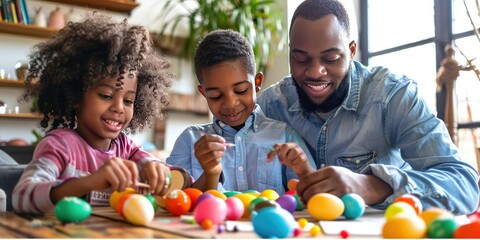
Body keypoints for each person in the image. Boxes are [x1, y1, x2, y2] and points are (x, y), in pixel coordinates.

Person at [257, 0, 480, 215]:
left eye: (331, 58)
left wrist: (373, 185)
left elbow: (465, 186)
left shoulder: (394, 96)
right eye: (301, 59)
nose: (315, 72)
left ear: (351, 50)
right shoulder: (270, 104)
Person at [13, 13, 176, 214]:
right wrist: (88, 183)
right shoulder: (59, 146)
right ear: (74, 97)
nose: (119, 107)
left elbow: (172, 176)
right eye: (106, 95)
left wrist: (159, 171)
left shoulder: (127, 149)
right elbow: (22, 196)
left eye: (128, 100)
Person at [166, 29, 316, 194]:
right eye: (215, 96)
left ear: (257, 83)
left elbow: (315, 200)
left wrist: (303, 171)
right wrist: (211, 173)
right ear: (204, 93)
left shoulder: (284, 135)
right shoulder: (190, 140)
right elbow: (174, 199)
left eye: (241, 90)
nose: (230, 104)